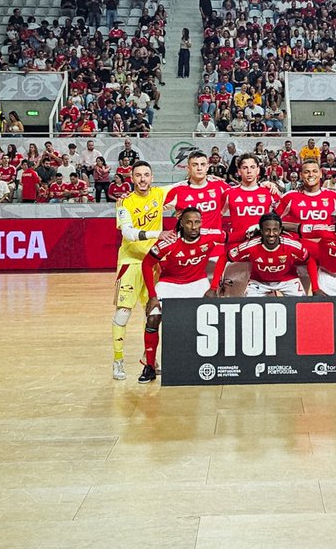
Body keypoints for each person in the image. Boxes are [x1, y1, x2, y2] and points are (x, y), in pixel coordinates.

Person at [139, 207, 223, 382]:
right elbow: (147, 264)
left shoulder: (211, 235)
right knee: (153, 318)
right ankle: (150, 365)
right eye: (189, 222)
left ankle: (209, 362)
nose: (193, 227)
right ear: (181, 223)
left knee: (212, 317)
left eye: (197, 222)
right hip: (170, 283)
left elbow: (232, 240)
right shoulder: (169, 241)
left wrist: (213, 286)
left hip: (198, 283)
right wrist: (152, 296)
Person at [111, 160, 165, 381]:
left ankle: (149, 359)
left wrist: (213, 179)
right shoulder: (124, 203)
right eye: (138, 175)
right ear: (131, 178)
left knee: (153, 313)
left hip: (153, 262)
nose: (143, 179)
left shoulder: (160, 195)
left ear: (152, 177)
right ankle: (118, 360)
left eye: (146, 175)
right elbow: (129, 234)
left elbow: (187, 185)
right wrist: (157, 235)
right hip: (131, 262)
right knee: (123, 313)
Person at [213, 213, 307, 297]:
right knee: (249, 309)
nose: (271, 234)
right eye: (267, 230)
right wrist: (213, 287)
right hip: (259, 282)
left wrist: (315, 288)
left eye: (275, 230)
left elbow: (309, 259)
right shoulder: (250, 245)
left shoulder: (291, 244)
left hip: (287, 281)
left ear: (280, 230)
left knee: (302, 308)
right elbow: (224, 257)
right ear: (261, 231)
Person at [163, 149, 229, 257]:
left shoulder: (219, 186)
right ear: (188, 168)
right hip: (187, 249)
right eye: (195, 165)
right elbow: (154, 206)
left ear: (207, 167)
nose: (199, 168)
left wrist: (263, 185)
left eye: (202, 164)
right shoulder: (178, 190)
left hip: (214, 248)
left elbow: (241, 194)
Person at [278, 159, 336, 257]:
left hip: (327, 252)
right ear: (301, 175)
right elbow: (271, 221)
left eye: (314, 171)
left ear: (320, 174)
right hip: (298, 254)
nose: (311, 175)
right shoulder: (289, 197)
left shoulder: (333, 196)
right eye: (306, 172)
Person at [223, 153, 280, 248]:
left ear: (258, 170)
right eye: (245, 168)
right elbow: (216, 217)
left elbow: (282, 217)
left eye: (252, 167)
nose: (249, 171)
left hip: (262, 247)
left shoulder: (270, 192)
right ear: (239, 171)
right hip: (236, 246)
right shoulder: (229, 193)